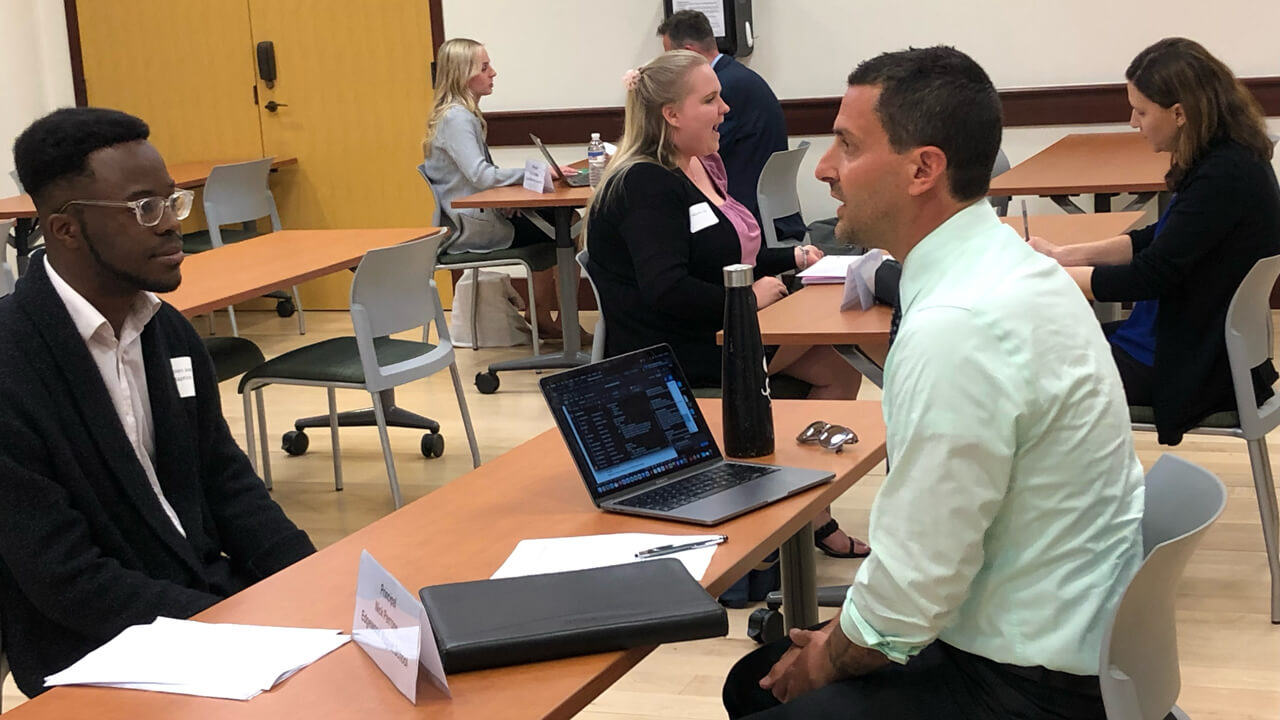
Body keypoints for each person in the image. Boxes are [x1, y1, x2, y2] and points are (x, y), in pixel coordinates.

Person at [721, 47, 1145, 719]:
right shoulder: (1013, 264)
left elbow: (913, 593)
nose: (826, 170)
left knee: (767, 686)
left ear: (924, 169)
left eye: (848, 146)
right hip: (1079, 635)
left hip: (1025, 682)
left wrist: (823, 658)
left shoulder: (956, 327)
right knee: (758, 679)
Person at [0, 107, 316, 697]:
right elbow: (66, 580)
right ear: (65, 229)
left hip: (207, 608)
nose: (172, 225)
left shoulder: (165, 330)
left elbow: (227, 482)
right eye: (145, 208)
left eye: (173, 202)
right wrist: (228, 623)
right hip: (98, 652)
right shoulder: (12, 364)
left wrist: (313, 582)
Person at [585, 50, 867, 559]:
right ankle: (780, 514)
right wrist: (747, 298)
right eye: (711, 100)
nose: (726, 110)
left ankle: (804, 511)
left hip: (711, 330)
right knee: (831, 361)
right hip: (675, 352)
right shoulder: (645, 184)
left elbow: (719, 256)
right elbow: (668, 289)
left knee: (837, 368)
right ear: (671, 115)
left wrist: (788, 258)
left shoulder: (694, 167)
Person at [1030, 37, 1280, 446]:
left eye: (1141, 111)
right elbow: (1157, 240)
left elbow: (1150, 276)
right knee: (1038, 343)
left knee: (1016, 365)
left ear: (1179, 113)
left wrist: (1052, 276)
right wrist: (1064, 256)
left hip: (1182, 364)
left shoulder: (1224, 177)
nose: (1133, 122)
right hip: (1187, 344)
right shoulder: (1227, 160)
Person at [422, 37, 578, 339]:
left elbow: (473, 178)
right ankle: (559, 323)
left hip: (476, 216)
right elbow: (481, 175)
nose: (493, 72)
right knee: (567, 225)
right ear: (463, 74)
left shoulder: (461, 115)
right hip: (469, 228)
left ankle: (545, 317)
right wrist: (533, 173)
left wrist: (502, 197)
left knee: (561, 223)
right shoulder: (456, 118)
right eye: (484, 67)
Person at [658, 10, 806, 243]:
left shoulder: (722, 87)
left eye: (670, 57)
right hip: (768, 206)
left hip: (743, 208)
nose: (721, 107)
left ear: (688, 54)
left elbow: (700, 155)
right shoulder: (738, 76)